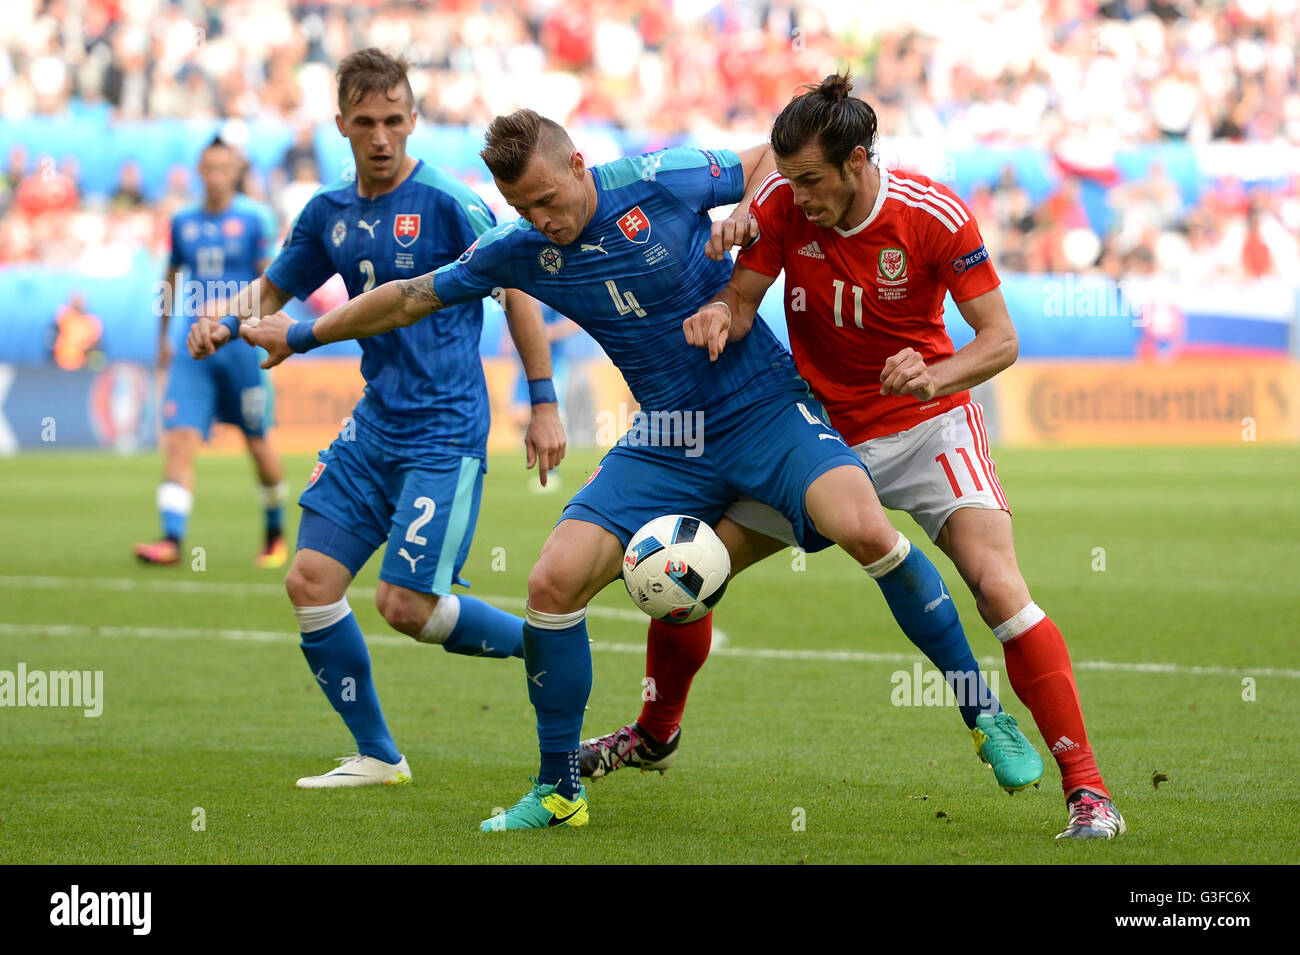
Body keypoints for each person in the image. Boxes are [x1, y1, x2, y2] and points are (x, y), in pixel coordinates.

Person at [242, 107, 1037, 830]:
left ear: (581, 164)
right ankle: (560, 788)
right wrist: (304, 336)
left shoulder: (663, 177)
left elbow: (767, 155)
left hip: (765, 408)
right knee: (552, 582)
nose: (543, 221)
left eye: (550, 199)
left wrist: (741, 226)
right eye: (526, 210)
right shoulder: (521, 249)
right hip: (668, 435)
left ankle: (981, 711)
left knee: (865, 526)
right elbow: (413, 295)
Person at [663, 74, 1125, 839]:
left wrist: (933, 374)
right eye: (789, 179)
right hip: (821, 439)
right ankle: (655, 729)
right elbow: (742, 303)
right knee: (690, 567)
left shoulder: (931, 213)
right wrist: (718, 311)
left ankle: (1088, 791)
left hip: (927, 426)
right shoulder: (780, 205)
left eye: (812, 179)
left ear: (857, 161)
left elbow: (1001, 340)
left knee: (997, 587)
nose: (799, 195)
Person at [188, 50, 564, 788]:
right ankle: (378, 755)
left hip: (445, 428)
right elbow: (270, 290)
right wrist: (223, 322)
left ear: (413, 120)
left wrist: (544, 401)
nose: (382, 136)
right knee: (310, 580)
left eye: (395, 120)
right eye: (366, 122)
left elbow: (517, 288)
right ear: (341, 126)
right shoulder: (328, 213)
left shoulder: (452, 202)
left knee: (406, 603)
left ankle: (543, 646)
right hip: (372, 428)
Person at [133, 136, 288, 568]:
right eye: (209, 168)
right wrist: (162, 336)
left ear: (236, 171)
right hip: (194, 345)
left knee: (258, 444)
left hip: (242, 347)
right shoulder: (182, 220)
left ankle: (274, 533)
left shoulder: (255, 218)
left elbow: (273, 283)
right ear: (200, 171)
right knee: (180, 437)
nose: (216, 176)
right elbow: (169, 280)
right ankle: (171, 539)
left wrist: (248, 320)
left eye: (225, 168)